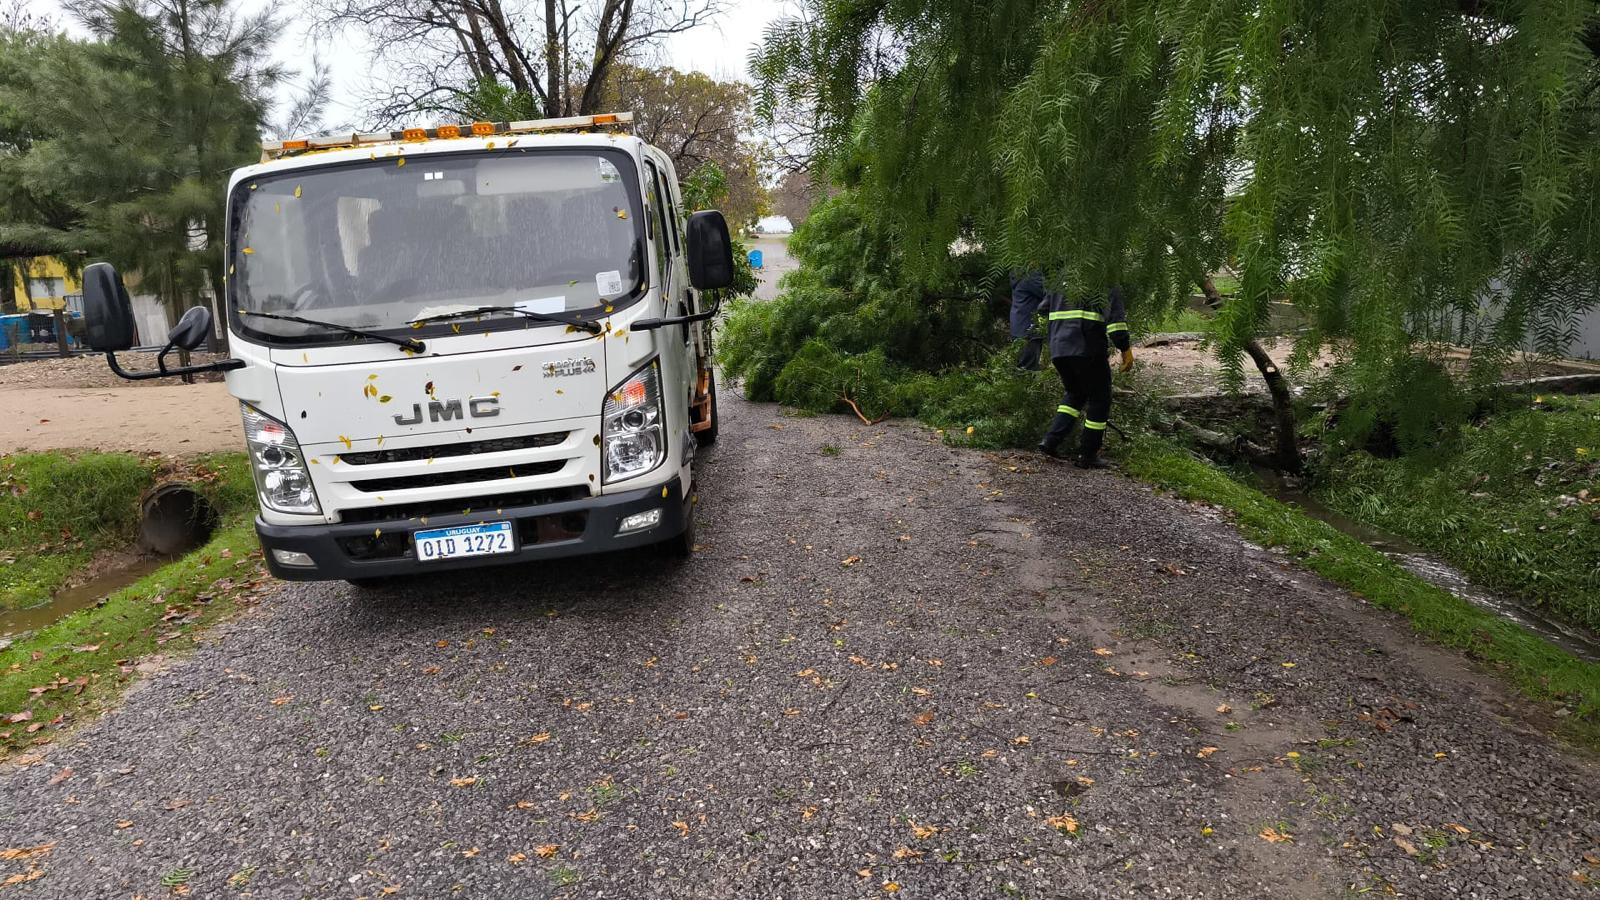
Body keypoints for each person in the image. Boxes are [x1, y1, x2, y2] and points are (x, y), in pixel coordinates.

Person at [1038, 284, 1134, 468]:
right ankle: (1088, 454)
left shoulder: (1061, 278)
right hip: (1087, 347)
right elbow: (1116, 324)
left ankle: (1050, 441)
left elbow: (1043, 308)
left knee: (1075, 393)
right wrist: (1125, 348)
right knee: (1100, 398)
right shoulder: (1104, 278)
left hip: (1059, 348)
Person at [1009, 271, 1047, 370]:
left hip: (1021, 327)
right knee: (1028, 368)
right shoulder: (1030, 277)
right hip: (1028, 329)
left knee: (1025, 366)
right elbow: (1049, 292)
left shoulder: (1021, 276)